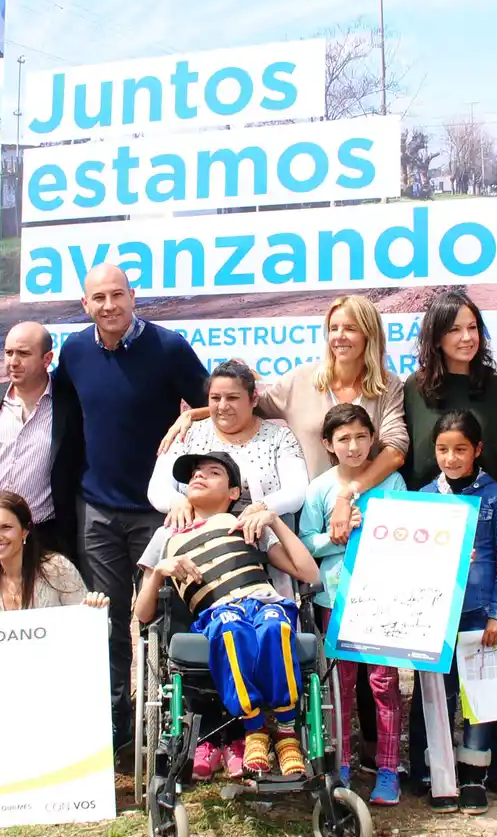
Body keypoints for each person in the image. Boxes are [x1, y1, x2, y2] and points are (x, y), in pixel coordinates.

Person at [161, 294, 409, 770]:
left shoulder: (387, 388)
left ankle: (378, 756)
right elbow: (240, 402)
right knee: (328, 648)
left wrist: (348, 492)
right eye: (334, 326)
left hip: (362, 514)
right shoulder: (301, 381)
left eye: (351, 328)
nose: (340, 337)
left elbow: (395, 448)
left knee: (375, 662)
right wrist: (193, 415)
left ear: (369, 336)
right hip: (305, 520)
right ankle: (284, 734)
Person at [55, 263, 208, 750]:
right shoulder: (75, 351)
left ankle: (173, 729)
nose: (108, 305)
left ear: (133, 296)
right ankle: (117, 732)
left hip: (158, 514)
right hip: (97, 512)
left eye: (116, 295)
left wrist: (191, 419)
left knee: (165, 620)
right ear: (85, 305)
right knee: (108, 621)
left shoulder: (168, 347)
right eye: (98, 298)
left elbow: (214, 402)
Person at [403, 289, 497, 793]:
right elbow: (405, 462)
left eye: (473, 327)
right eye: (454, 329)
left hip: (489, 525)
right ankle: (425, 764)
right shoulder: (414, 390)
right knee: (435, 664)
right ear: (435, 336)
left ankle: (491, 766)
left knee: (485, 656)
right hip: (430, 538)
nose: (466, 337)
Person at [134, 451, 320, 777]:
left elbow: (309, 574)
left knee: (275, 630)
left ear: (234, 492)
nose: (199, 476)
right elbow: (143, 613)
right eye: (193, 473)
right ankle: (256, 729)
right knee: (232, 632)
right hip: (217, 612)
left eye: (213, 472)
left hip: (263, 601)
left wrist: (272, 518)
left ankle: (287, 732)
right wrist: (160, 572)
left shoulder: (244, 525)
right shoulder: (167, 536)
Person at [299, 403, 406, 804]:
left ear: (373, 438)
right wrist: (334, 538)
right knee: (339, 686)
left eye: (362, 437)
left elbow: (408, 533)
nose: (355, 446)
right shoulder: (320, 488)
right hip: (335, 599)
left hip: (382, 599)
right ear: (328, 444)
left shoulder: (392, 482)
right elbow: (306, 543)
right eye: (344, 439)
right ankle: (341, 762)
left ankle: (388, 768)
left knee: (384, 683)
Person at [414, 410, 497, 815]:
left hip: (479, 614)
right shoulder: (422, 496)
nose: (451, 458)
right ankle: (433, 771)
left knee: (481, 696)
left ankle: (475, 774)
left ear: (478, 450)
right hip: (435, 616)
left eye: (460, 450)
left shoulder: (494, 496)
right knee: (436, 693)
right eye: (442, 449)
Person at [0, 323, 83, 581]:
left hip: (45, 536)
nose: (13, 361)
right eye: (9, 353)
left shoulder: (71, 405)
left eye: (23, 354)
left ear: (47, 359)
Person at [149, 359, 309, 570]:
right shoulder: (186, 433)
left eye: (233, 398)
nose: (223, 406)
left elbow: (297, 491)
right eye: (215, 398)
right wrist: (176, 501)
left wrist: (263, 508)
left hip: (265, 552)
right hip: (192, 555)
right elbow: (156, 488)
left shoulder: (280, 437)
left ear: (253, 399)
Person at [0, 492, 108, 612]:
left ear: (24, 532)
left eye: (6, 527)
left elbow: (91, 629)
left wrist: (94, 608)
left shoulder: (57, 568)